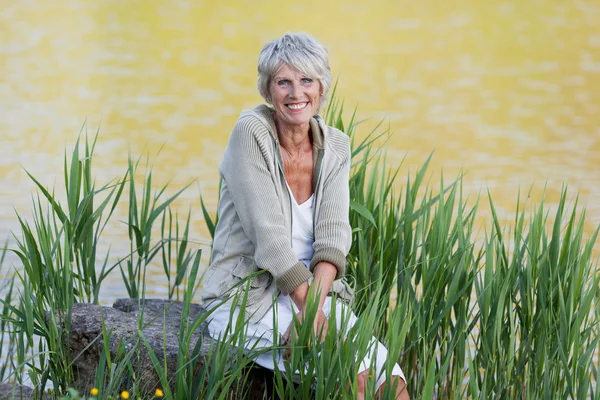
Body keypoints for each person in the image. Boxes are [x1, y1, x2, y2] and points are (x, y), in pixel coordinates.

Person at [201, 32, 409, 399]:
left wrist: (311, 311)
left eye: (306, 81)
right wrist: (313, 317)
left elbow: (332, 243)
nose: (296, 93)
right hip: (248, 298)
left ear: (322, 88)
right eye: (283, 82)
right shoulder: (250, 133)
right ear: (268, 92)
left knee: (392, 385)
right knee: (351, 377)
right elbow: (271, 242)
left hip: (313, 296)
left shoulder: (336, 146)